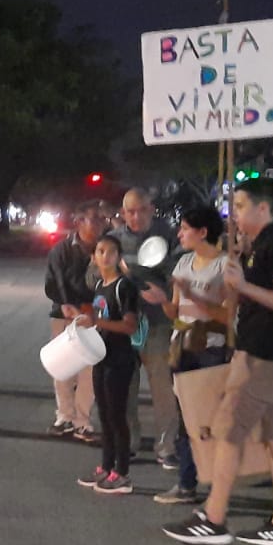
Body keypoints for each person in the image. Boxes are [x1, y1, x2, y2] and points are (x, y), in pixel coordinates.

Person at [163, 176, 273, 545]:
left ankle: (214, 518)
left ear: (263, 208)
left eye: (240, 206)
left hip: (267, 356)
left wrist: (243, 285)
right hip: (258, 351)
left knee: (227, 429)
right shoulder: (256, 247)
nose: (234, 214)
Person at [139, 204, 230, 504]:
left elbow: (229, 315)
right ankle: (186, 484)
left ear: (203, 232)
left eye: (185, 228)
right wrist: (163, 299)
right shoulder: (183, 264)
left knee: (208, 421)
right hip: (183, 347)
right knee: (186, 419)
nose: (179, 233)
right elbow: (175, 312)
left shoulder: (225, 266)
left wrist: (192, 295)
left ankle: (218, 490)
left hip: (212, 349)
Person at [113, 188, 180, 467]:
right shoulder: (114, 239)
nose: (135, 216)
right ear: (123, 212)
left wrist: (160, 289)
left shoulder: (168, 235)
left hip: (157, 323)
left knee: (162, 388)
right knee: (124, 387)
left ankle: (167, 446)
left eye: (141, 209)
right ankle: (128, 442)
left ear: (151, 208)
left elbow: (178, 273)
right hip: (124, 324)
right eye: (130, 211)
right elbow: (98, 274)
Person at [76, 235, 141, 495]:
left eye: (111, 252)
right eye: (101, 251)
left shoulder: (123, 286)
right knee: (103, 414)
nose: (105, 256)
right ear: (93, 257)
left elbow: (129, 325)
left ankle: (122, 473)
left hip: (120, 358)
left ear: (119, 256)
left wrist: (97, 323)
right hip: (102, 357)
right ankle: (106, 466)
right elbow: (97, 319)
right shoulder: (101, 285)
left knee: (117, 416)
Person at [44, 205, 105, 442]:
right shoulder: (62, 250)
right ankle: (65, 416)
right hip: (64, 313)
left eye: (101, 219)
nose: (99, 224)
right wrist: (65, 304)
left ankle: (83, 420)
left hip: (94, 315)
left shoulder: (105, 249)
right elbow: (54, 281)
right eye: (93, 219)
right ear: (79, 222)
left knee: (89, 369)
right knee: (63, 366)